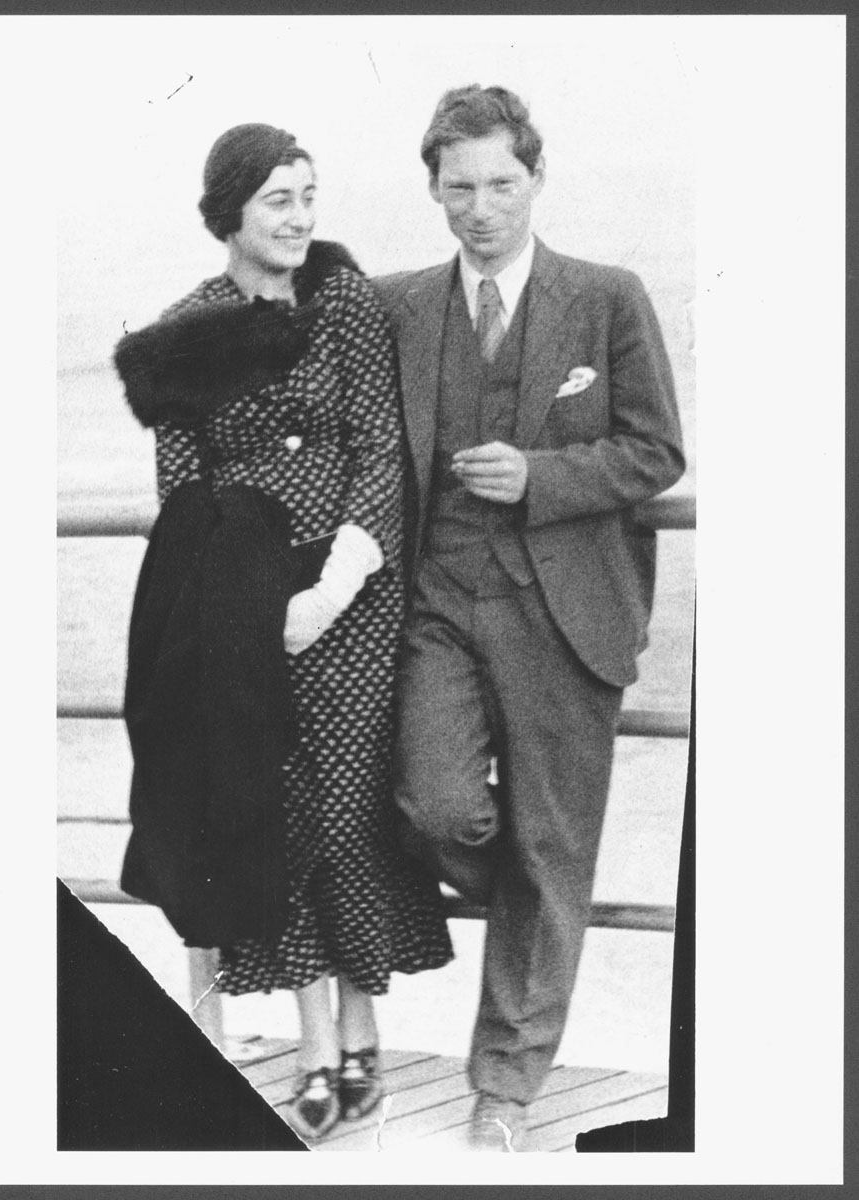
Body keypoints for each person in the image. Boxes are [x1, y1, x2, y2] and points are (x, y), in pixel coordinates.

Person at [114, 123, 453, 1143]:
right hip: (248, 615)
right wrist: (258, 613)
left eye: (308, 194)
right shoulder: (183, 337)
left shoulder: (341, 300)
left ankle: (362, 1023)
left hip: (352, 593)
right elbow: (188, 497)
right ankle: (315, 1041)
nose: (300, 216)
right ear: (231, 211)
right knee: (282, 811)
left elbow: (378, 450)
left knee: (352, 808)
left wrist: (341, 580)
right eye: (277, 199)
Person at [375, 85, 686, 1151]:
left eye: (500, 183)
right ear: (431, 189)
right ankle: (538, 890)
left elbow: (654, 453)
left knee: (554, 849)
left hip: (567, 615)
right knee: (435, 808)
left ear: (535, 179)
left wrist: (540, 474)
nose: (480, 208)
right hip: (438, 603)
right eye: (457, 186)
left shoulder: (606, 296)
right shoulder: (396, 305)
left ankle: (502, 1089)